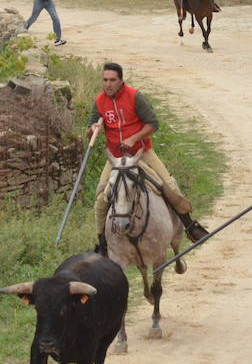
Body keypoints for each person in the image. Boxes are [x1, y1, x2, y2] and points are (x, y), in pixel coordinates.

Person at [88, 62, 210, 255]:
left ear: (121, 81)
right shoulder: (99, 101)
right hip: (115, 159)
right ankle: (102, 243)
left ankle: (189, 225)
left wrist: (134, 138)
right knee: (101, 199)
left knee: (169, 185)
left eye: (112, 80)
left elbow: (153, 124)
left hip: (141, 153)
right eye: (105, 80)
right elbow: (91, 126)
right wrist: (93, 129)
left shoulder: (135, 97)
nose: (108, 84)